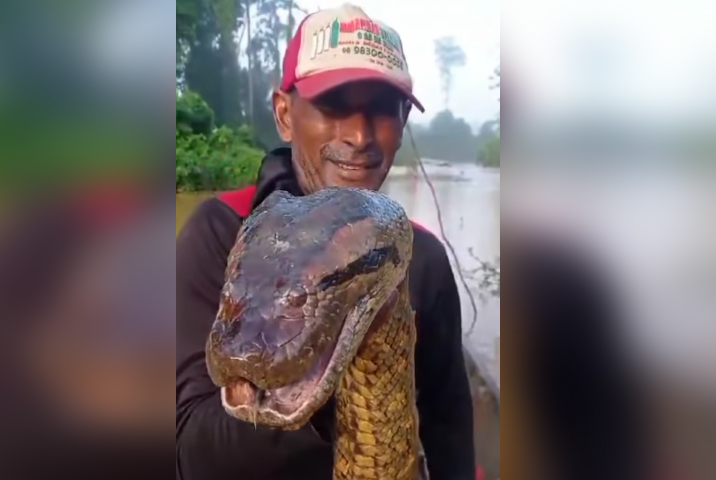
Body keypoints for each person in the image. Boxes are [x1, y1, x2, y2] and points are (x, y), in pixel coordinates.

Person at [176, 4, 475, 480]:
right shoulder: (220, 230)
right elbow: (191, 454)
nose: (359, 135)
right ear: (284, 114)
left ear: (402, 125)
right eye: (333, 105)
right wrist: (317, 359)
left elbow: (448, 424)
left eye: (382, 109)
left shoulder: (422, 256)